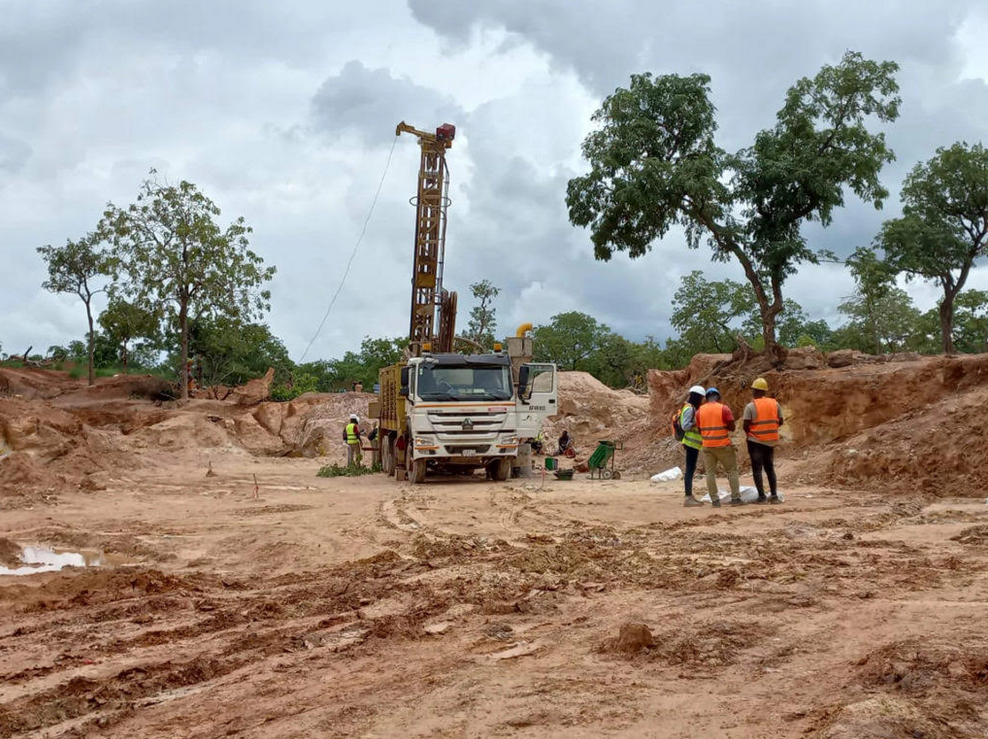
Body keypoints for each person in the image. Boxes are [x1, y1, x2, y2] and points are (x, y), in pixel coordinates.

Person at [696, 387, 742, 507]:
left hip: (707, 446)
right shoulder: (724, 409)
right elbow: (732, 427)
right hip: (723, 445)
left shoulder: (699, 411)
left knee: (710, 473)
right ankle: (736, 498)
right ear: (718, 397)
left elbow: (700, 429)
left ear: (706, 398)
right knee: (732, 471)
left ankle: (715, 500)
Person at [743, 377, 783, 504]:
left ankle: (762, 496)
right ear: (764, 391)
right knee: (770, 468)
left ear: (755, 391)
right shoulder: (775, 404)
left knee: (757, 469)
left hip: (755, 442)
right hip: (770, 441)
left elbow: (745, 425)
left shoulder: (751, 406)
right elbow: (780, 421)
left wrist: (751, 434)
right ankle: (774, 495)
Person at [679, 385, 706, 507]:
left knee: (691, 469)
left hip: (692, 443)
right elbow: (685, 426)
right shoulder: (690, 409)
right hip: (691, 443)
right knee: (689, 470)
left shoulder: (689, 407)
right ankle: (688, 497)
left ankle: (689, 496)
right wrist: (695, 423)